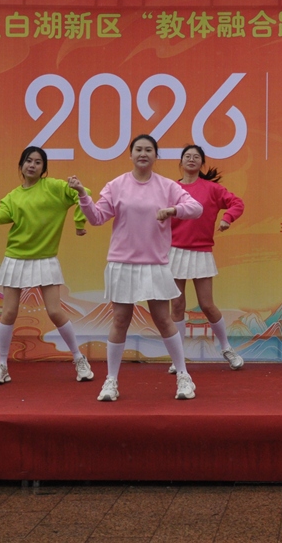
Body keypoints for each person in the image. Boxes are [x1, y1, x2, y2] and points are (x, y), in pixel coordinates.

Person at [70, 134, 203, 402]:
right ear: (130, 155)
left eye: (148, 150)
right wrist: (83, 195)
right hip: (123, 264)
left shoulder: (167, 186)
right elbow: (96, 218)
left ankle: (183, 375)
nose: (143, 154)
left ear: (156, 156)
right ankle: (111, 380)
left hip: (154, 264)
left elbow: (196, 208)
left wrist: (173, 211)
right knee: (120, 320)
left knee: (163, 319)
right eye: (138, 150)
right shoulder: (116, 185)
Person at [0, 145, 95, 386]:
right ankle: (2, 365)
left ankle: (79, 359)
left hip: (45, 259)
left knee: (55, 312)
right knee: (8, 313)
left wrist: (80, 222)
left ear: (43, 169)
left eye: (38, 162)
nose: (32, 165)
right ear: (21, 166)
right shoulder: (13, 196)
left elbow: (84, 193)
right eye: (28, 161)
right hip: (16, 259)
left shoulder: (54, 187)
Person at [169, 144, 246, 371]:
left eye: (196, 157)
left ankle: (226, 348)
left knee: (207, 305)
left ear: (202, 163)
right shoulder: (170, 188)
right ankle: (178, 358)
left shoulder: (212, 189)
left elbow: (237, 203)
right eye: (187, 156)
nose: (191, 159)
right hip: (174, 252)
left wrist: (227, 218)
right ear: (181, 162)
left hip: (201, 251)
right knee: (177, 305)